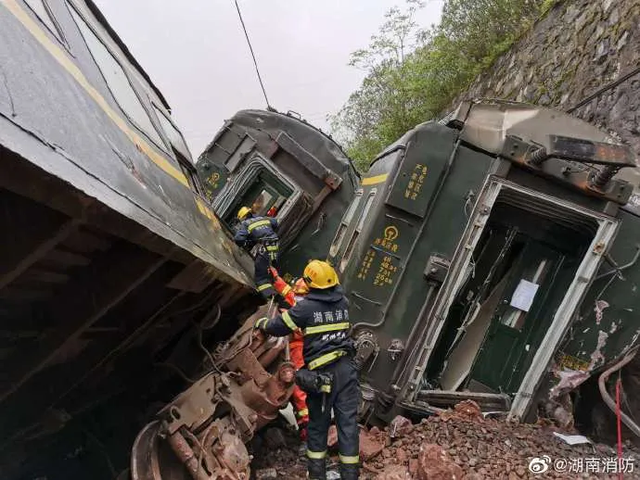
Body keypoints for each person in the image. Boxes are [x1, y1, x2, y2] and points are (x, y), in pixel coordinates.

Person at [255, 260, 360, 480]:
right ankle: (350, 476)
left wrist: (263, 323)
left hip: (323, 376)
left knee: (317, 430)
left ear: (310, 284)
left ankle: (317, 476)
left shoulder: (306, 308)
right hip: (347, 372)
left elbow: (278, 326)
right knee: (348, 427)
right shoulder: (343, 302)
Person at [270, 267, 310, 438]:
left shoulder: (310, 309)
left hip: (300, 349)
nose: (297, 297)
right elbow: (287, 291)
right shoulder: (302, 299)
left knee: (298, 386)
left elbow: (299, 328)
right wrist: (274, 276)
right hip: (296, 347)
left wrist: (285, 315)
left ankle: (307, 425)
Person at [233, 206, 282, 304]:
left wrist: (245, 244)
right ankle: (277, 292)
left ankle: (270, 298)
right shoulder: (264, 219)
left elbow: (238, 239)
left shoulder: (246, 224)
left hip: (265, 249)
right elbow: (276, 223)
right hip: (275, 247)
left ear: (243, 217)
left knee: (261, 278)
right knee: (272, 271)